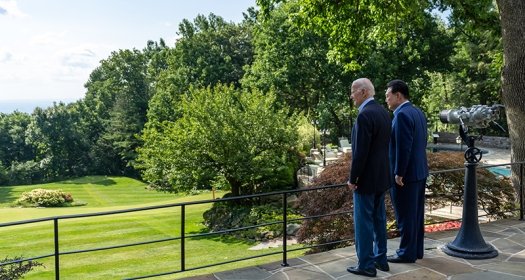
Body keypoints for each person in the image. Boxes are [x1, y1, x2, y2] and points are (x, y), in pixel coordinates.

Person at [347, 78, 392, 277]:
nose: (351, 96)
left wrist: (353, 178)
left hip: (365, 180)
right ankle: (381, 259)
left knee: (363, 222)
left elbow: (360, 153)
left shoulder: (365, 116)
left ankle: (366, 264)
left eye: (353, 91)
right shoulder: (384, 112)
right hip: (382, 177)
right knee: (379, 219)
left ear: (364, 92)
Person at [385, 79, 429, 263]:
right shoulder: (417, 112)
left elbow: (404, 147)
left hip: (406, 177)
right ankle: (417, 250)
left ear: (398, 95)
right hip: (419, 173)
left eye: (388, 96)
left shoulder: (401, 115)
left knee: (405, 216)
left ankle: (406, 253)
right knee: (416, 215)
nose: (386, 100)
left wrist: (399, 173)